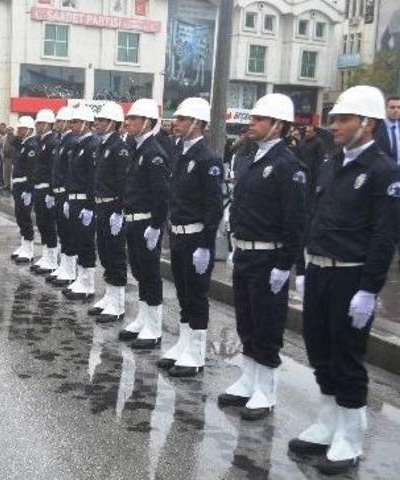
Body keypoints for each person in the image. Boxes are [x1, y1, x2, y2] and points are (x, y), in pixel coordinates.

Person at [287, 86, 400, 475]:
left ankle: (349, 438)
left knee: (346, 357)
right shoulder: (331, 164)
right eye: (334, 118)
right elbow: (312, 218)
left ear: (367, 124)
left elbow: (384, 238)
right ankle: (328, 422)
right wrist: (302, 268)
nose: (333, 125)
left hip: (351, 278)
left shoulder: (383, 171)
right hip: (319, 270)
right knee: (319, 350)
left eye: (343, 119)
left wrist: (369, 289)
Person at [218, 93, 306, 420]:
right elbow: (240, 205)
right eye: (252, 119)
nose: (251, 124)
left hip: (270, 258)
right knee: (246, 320)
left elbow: (295, 220)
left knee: (267, 325)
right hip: (245, 252)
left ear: (277, 125)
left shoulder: (288, 165)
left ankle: (266, 391)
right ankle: (249, 380)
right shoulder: (249, 157)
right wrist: (233, 242)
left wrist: (286, 265)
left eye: (258, 120)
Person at [158, 98, 224, 377]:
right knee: (184, 294)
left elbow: (214, 206)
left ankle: (196, 354)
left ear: (197, 124)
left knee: (197, 296)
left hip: (197, 237)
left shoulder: (207, 160)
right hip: (179, 235)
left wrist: (206, 246)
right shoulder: (179, 154)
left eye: (183, 119)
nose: (176, 123)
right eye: (177, 118)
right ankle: (184, 345)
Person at [117, 98, 170, 350]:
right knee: (138, 272)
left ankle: (154, 326)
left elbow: (161, 194)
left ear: (147, 122)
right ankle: (143, 318)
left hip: (146, 223)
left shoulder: (154, 153)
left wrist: (156, 225)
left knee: (150, 274)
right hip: (133, 221)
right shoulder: (138, 149)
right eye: (128, 119)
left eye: (133, 119)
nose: (128, 123)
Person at [88, 102, 130, 322]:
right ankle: (109, 296)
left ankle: (118, 303)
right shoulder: (103, 146)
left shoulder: (118, 148)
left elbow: (123, 182)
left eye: (102, 121)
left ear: (113, 123)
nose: (97, 124)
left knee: (115, 255)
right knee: (104, 251)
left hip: (113, 206)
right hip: (101, 205)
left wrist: (119, 210)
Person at [61, 105, 101, 300]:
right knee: (78, 240)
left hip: (85, 200)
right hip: (75, 198)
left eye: (76, 122)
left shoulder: (92, 145)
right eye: (72, 122)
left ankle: (88, 284)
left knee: (86, 242)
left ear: (86, 123)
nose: (72, 125)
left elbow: (93, 178)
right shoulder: (78, 144)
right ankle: (81, 279)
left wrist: (90, 206)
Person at [48, 107, 79, 287]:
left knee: (69, 234)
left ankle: (70, 270)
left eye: (59, 121)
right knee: (63, 232)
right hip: (59, 192)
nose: (56, 124)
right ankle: (65, 267)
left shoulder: (71, 142)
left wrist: (67, 196)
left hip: (66, 193)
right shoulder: (61, 140)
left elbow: (69, 172)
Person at [28, 110, 58, 274]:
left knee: (48, 224)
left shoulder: (52, 142)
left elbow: (52, 169)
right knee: (41, 223)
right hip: (39, 187)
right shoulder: (41, 141)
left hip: (46, 187)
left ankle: (52, 258)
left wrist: (51, 192)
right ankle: (47, 255)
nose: (37, 126)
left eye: (39, 123)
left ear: (47, 124)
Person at [9, 116, 36, 262]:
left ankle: (29, 248)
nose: (18, 131)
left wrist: (28, 190)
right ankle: (24, 244)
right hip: (18, 184)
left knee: (25, 217)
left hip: (25, 185)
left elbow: (31, 170)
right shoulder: (23, 144)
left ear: (28, 130)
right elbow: (13, 144)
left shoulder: (31, 145)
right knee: (19, 216)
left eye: (21, 129)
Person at [375, 96, 400, 164]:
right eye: (392, 107)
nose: (396, 110)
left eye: (399, 107)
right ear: (385, 109)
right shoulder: (376, 127)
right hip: (384, 170)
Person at [0, 126, 16, 190]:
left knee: (13, 172)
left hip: (14, 157)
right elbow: (0, 146)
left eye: (11, 130)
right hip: (6, 157)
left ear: (13, 130)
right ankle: (7, 184)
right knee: (6, 172)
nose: (10, 131)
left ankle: (13, 186)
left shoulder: (16, 137)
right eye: (8, 130)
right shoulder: (3, 138)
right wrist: (1, 154)